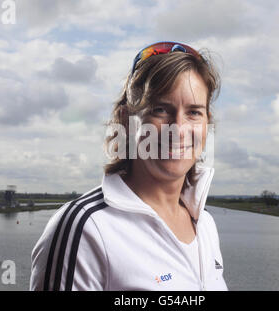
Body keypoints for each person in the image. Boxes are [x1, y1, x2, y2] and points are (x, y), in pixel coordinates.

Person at [30, 41, 227, 291]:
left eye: (194, 112)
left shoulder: (205, 224)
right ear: (126, 119)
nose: (178, 129)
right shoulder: (85, 228)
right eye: (159, 110)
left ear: (207, 123)